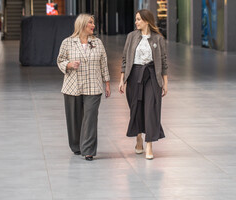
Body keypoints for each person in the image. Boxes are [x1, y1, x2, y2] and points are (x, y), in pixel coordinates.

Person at [57, 14, 111, 161]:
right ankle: (76, 145)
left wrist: (107, 82)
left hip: (93, 86)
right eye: (90, 23)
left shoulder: (98, 43)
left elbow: (103, 63)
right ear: (81, 25)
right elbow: (60, 60)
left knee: (90, 117)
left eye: (93, 22)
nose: (93, 25)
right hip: (72, 86)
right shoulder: (67, 42)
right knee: (74, 119)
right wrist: (68, 65)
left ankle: (88, 150)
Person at [119, 9, 168, 160]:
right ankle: (138, 137)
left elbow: (164, 62)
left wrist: (165, 83)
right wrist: (122, 80)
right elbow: (125, 59)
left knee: (151, 110)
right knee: (136, 108)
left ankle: (149, 145)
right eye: (136, 19)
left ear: (147, 21)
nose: (136, 22)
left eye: (139, 19)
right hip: (134, 76)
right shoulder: (131, 36)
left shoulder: (158, 39)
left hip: (152, 76)